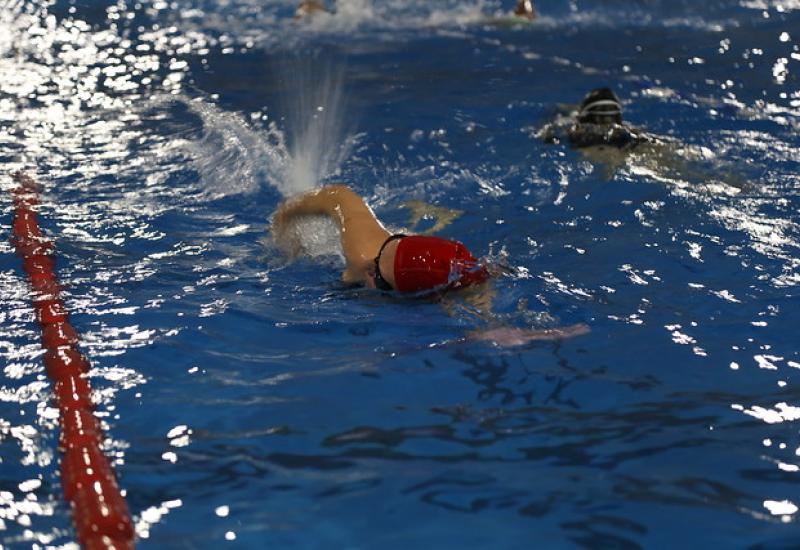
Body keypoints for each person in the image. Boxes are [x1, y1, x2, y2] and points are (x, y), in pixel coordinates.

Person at [272, 185, 489, 294]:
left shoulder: (450, 295)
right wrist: (285, 216)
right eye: (379, 259)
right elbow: (338, 195)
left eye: (379, 278)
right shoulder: (365, 252)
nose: (369, 271)